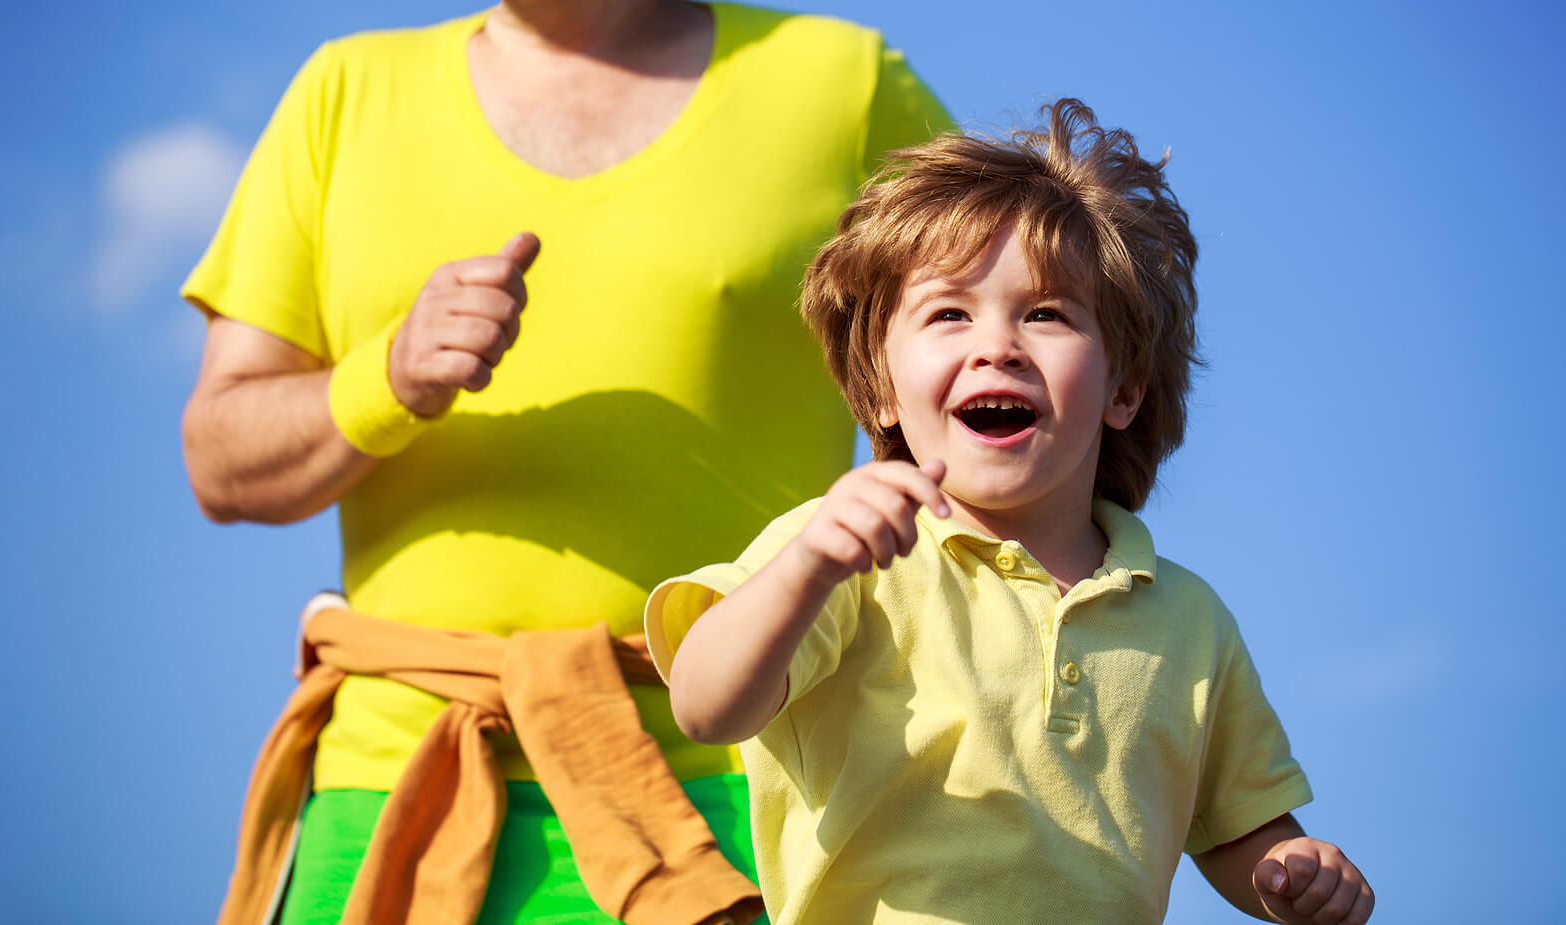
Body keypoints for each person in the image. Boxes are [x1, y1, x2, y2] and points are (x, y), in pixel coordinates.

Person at [179, 0, 948, 922]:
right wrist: (386, 376)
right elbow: (219, 457)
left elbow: (1005, 361)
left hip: (741, 796)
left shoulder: (841, 82)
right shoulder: (343, 92)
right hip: (388, 799)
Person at [646, 99, 1375, 925]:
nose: (996, 346)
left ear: (1124, 389)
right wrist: (810, 565)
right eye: (949, 314)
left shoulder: (1192, 620)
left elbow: (1241, 825)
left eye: (1047, 314)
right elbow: (707, 704)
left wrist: (1292, 871)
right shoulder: (843, 553)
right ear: (883, 388)